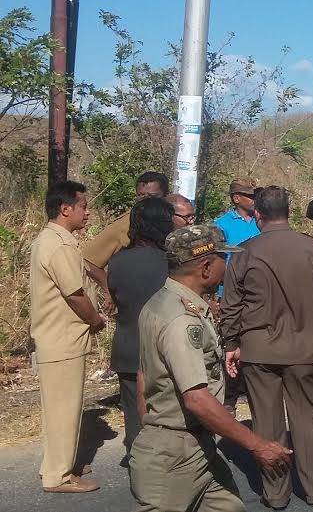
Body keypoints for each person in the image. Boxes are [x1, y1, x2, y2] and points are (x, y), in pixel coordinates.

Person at [130, 225, 291, 512]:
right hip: (174, 457)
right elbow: (196, 399)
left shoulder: (161, 301)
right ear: (206, 267)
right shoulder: (182, 320)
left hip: (193, 448)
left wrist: (151, 421)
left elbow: (144, 374)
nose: (225, 266)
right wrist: (258, 445)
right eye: (221, 259)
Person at [221, 187, 313, 508]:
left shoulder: (244, 252)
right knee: (310, 418)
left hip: (258, 351)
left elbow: (231, 305)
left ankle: (275, 494)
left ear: (257, 214)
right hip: (304, 349)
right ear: (288, 212)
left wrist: (231, 343)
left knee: (266, 421)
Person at [30, 181, 104, 493]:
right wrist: (96, 320)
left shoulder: (53, 239)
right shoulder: (59, 245)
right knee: (64, 409)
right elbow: (75, 294)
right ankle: (58, 477)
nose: (87, 213)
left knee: (59, 408)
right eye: (83, 206)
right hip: (62, 339)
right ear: (65, 209)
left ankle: (57, 463)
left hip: (56, 338)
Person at [107, 197, 175, 468]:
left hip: (127, 346)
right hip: (163, 348)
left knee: (134, 411)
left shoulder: (117, 262)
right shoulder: (171, 263)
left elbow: (116, 296)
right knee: (167, 408)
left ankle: (137, 457)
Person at [82, 171, 169, 308]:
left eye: (152, 196)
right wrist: (109, 290)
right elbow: (88, 259)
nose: (145, 201)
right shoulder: (124, 224)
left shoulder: (173, 221)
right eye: (141, 196)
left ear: (165, 197)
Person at [213, 177, 260, 416]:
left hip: (258, 293)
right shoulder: (222, 225)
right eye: (250, 196)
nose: (254, 200)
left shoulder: (263, 221)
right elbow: (216, 260)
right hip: (230, 293)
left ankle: (252, 391)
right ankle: (229, 396)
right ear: (236, 198)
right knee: (231, 342)